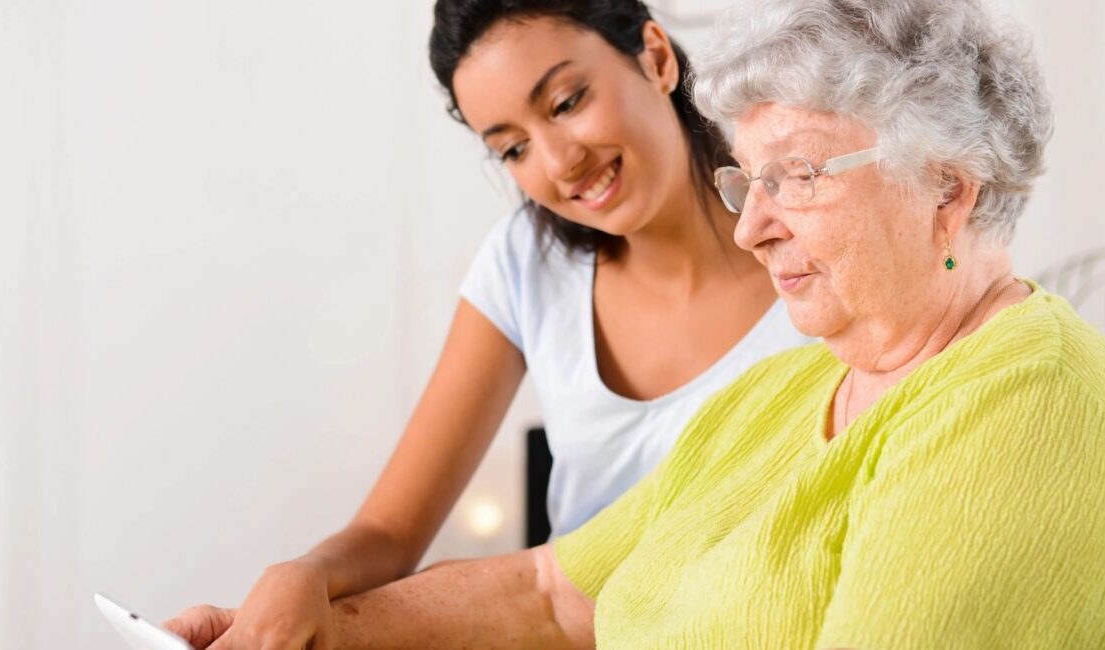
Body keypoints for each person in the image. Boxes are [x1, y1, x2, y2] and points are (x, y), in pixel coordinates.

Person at [166, 0, 1105, 647]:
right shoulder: (794, 385)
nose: (754, 225)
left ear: (949, 189)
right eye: (747, 180)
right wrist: (309, 633)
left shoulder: (1023, 403)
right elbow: (549, 592)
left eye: (795, 175)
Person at [165, 1, 812, 647]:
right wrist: (304, 576)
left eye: (566, 102)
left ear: (657, 56)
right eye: (513, 147)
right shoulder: (527, 261)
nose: (559, 162)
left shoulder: (815, 246)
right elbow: (390, 534)